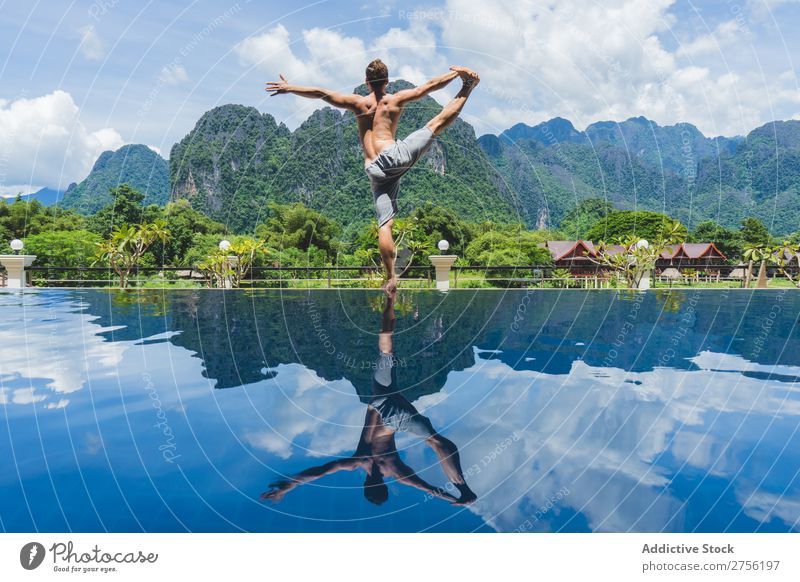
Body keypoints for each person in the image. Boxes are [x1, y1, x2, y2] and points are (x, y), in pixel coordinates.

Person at [266, 60, 480, 294]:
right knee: (435, 124)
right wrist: (454, 75)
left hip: (374, 170)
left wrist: (290, 87)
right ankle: (467, 86)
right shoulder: (394, 99)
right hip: (394, 157)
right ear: (387, 81)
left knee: (385, 225)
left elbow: (321, 93)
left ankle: (390, 277)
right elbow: (427, 87)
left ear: (366, 82)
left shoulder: (357, 103)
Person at [261, 293, 477, 506]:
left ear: (383, 485)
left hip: (393, 415)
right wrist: (288, 486)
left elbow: (426, 488)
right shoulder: (357, 462)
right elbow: (320, 472)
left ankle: (464, 489)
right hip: (382, 402)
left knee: (436, 441)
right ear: (365, 485)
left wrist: (454, 497)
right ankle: (390, 300)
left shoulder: (394, 473)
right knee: (385, 351)